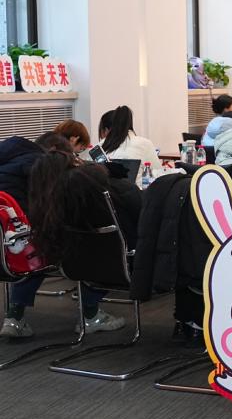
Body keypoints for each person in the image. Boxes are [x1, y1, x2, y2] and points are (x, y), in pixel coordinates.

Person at [2, 144, 141, 338]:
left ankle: (14, 316)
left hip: (62, 260)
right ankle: (90, 314)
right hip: (114, 262)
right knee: (96, 250)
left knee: (40, 251)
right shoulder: (102, 194)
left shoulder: (43, 201)